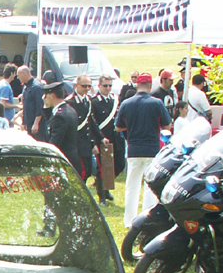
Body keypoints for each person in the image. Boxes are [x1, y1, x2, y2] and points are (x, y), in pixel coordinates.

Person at [116, 72, 173, 227]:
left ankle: (129, 220)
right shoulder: (157, 103)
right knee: (149, 186)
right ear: (149, 85)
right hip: (152, 148)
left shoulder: (127, 103)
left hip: (133, 148)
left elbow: (118, 126)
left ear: (137, 85)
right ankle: (147, 217)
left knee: (132, 186)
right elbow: (167, 125)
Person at [90, 74, 120, 206]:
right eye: (105, 86)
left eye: (110, 86)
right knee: (103, 168)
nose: (108, 88)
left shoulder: (113, 100)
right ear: (99, 86)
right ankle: (102, 195)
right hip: (101, 138)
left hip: (114, 137)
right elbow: (92, 123)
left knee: (118, 165)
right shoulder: (94, 101)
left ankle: (107, 188)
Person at [43, 79, 81, 174]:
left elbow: (55, 143)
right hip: (72, 157)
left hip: (63, 161)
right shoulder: (69, 109)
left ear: (52, 96)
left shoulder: (59, 116)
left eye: (46, 95)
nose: (44, 98)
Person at [67, 74, 98, 182]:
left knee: (88, 170)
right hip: (76, 142)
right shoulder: (70, 102)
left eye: (89, 86)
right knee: (82, 172)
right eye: (84, 86)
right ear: (77, 85)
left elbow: (90, 123)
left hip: (86, 142)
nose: (87, 89)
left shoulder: (88, 100)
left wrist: (99, 139)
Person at [17, 65, 46, 141]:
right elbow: (26, 106)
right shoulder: (26, 87)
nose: (18, 77)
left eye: (19, 75)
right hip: (29, 123)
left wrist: (36, 124)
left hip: (36, 124)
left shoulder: (36, 87)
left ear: (25, 74)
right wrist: (24, 122)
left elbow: (39, 106)